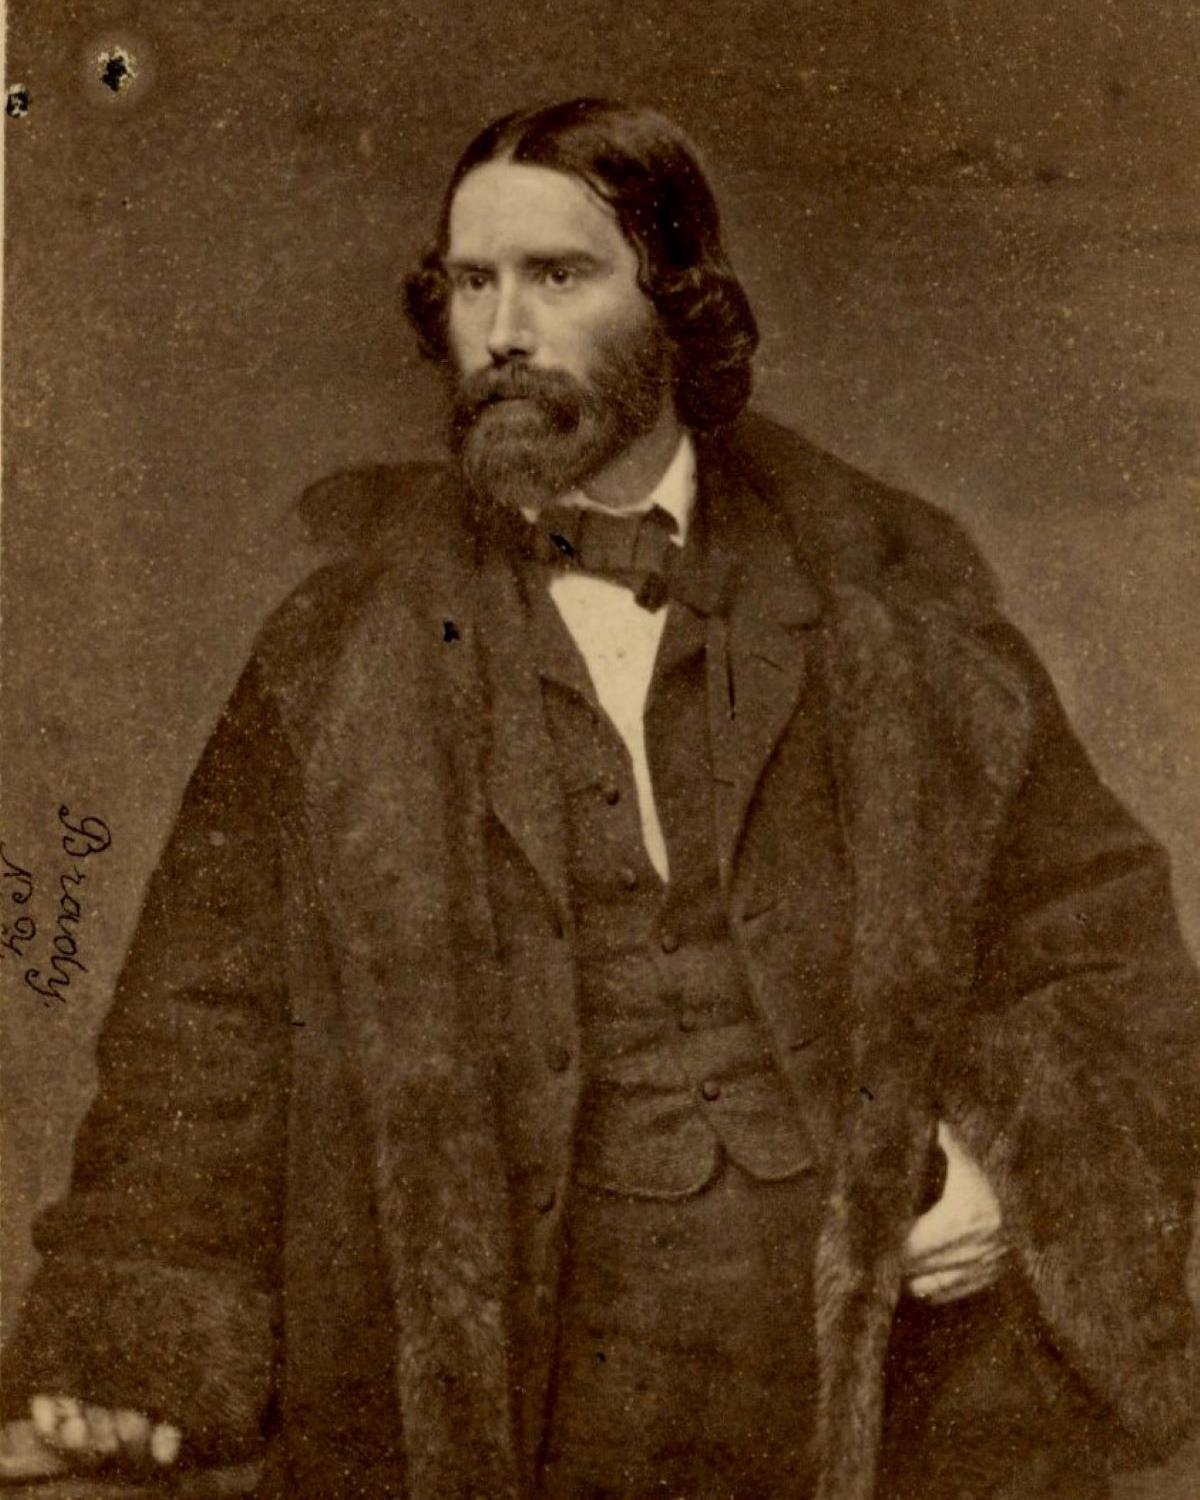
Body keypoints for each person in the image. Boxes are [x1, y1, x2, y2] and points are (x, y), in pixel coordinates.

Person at [2, 97, 1198, 1500]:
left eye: (557, 276)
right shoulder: (336, 662)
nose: (502, 330)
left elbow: (1101, 949)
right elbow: (203, 1030)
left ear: (678, 303)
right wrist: (135, 1342)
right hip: (528, 1382)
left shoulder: (897, 611)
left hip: (887, 1377)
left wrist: (1007, 1164)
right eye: (472, 283)